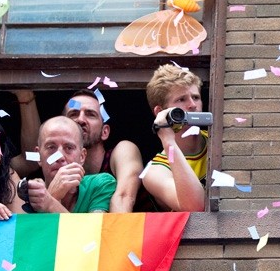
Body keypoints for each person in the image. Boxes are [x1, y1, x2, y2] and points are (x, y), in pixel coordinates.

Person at [63, 89, 146, 212]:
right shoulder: (56, 164)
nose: (80, 120)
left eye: (90, 114)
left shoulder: (122, 151)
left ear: (104, 132)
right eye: (73, 114)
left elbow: (123, 198)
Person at [143, 64, 206, 212]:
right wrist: (168, 141)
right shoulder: (155, 171)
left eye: (196, 97)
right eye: (181, 99)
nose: (192, 105)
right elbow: (195, 207)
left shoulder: (218, 141)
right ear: (160, 112)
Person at [25, 116, 116, 213]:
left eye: (69, 147)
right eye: (51, 147)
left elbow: (95, 224)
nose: (60, 157)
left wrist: (50, 203)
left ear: (82, 156)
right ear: (39, 155)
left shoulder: (100, 184)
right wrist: (53, 197)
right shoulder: (28, 195)